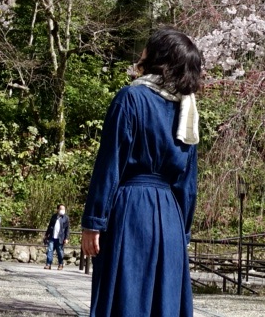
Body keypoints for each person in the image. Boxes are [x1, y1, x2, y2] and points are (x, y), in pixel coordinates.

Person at [82, 28, 202, 317]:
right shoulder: (188, 109)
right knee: (164, 303)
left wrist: (93, 221)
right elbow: (189, 182)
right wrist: (181, 233)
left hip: (130, 211)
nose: (141, 54)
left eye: (147, 49)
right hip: (171, 217)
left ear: (157, 57)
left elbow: (110, 163)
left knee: (126, 297)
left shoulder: (131, 98)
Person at [45, 203, 71, 269]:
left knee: (60, 252)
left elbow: (67, 229)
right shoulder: (53, 217)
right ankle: (48, 264)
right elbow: (50, 226)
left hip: (60, 238)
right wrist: (46, 234)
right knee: (50, 250)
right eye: (61, 209)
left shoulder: (66, 218)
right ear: (57, 209)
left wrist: (66, 238)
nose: (63, 210)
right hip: (52, 237)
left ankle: (60, 264)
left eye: (64, 209)